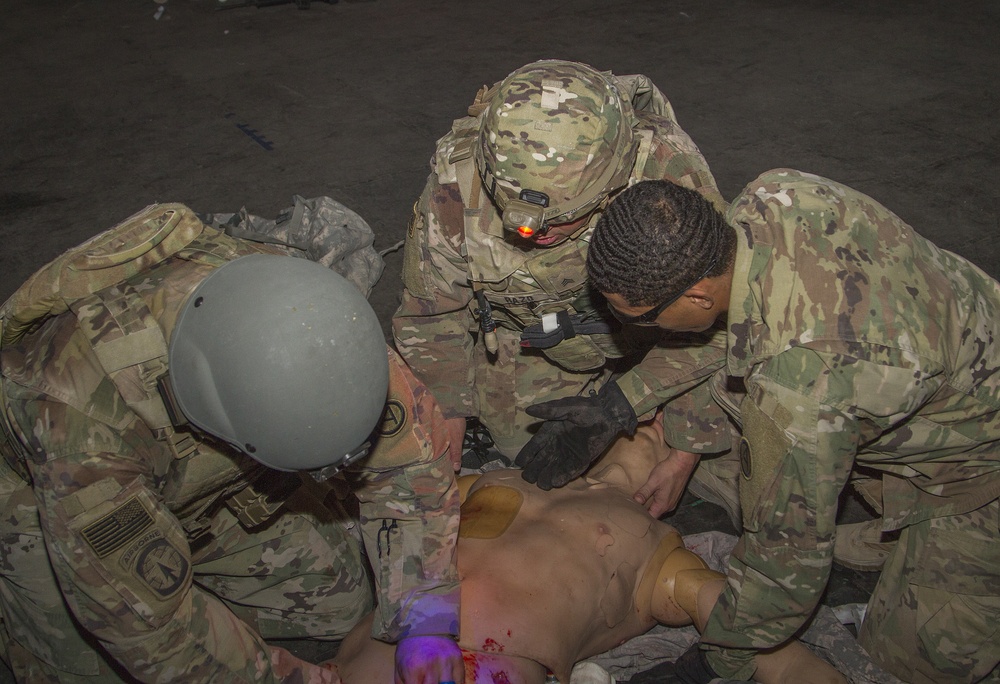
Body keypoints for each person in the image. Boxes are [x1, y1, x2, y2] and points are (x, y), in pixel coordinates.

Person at [0, 203, 462, 683]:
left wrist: (425, 622)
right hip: (42, 497)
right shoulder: (79, 425)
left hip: (192, 477)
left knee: (341, 603)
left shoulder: (308, 318)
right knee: (93, 665)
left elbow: (410, 468)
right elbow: (157, 633)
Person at [582, 170, 1000, 683]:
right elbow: (734, 331)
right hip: (962, 341)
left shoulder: (803, 387)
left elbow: (785, 565)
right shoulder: (770, 198)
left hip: (978, 469)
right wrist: (621, 402)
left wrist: (721, 657)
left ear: (696, 296)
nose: (637, 329)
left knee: (904, 665)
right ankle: (897, 539)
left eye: (641, 317)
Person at [391, 58, 733, 517]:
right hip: (540, 334)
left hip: (664, 333)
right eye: (515, 212)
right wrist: (448, 407)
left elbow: (716, 321)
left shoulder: (667, 173)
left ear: (613, 186)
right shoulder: (458, 180)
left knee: (746, 448)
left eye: (563, 216)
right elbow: (432, 310)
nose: (534, 232)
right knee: (523, 451)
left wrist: (684, 452)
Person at [328, 420, 846, 684]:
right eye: (648, 420)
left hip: (492, 664)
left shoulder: (655, 545)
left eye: (659, 429)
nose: (649, 423)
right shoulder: (504, 476)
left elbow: (757, 640)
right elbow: (405, 511)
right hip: (396, 635)